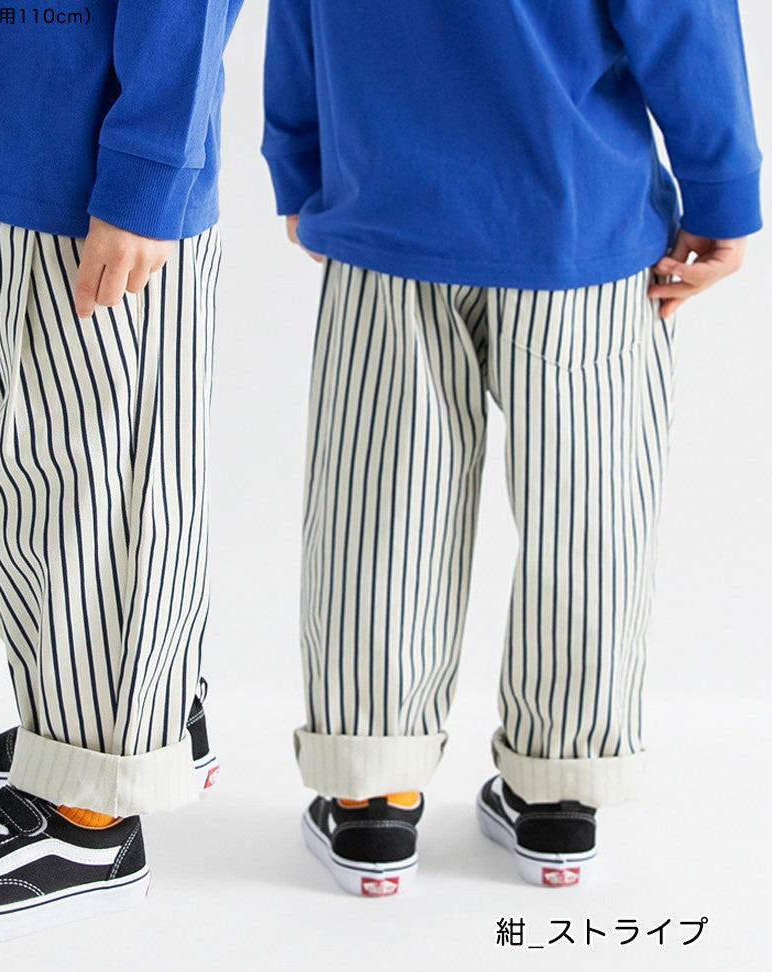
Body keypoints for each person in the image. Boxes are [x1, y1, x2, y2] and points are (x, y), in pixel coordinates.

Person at [262, 0, 762, 894]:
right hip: (580, 221)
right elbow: (681, 18)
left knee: (379, 519)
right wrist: (722, 189)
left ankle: (374, 797)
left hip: (387, 213)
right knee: (589, 519)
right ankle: (560, 794)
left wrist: (298, 163)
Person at [0, 1, 242, 947]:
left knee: (98, 488)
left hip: (87, 141)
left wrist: (151, 166)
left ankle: (90, 820)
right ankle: (106, 723)